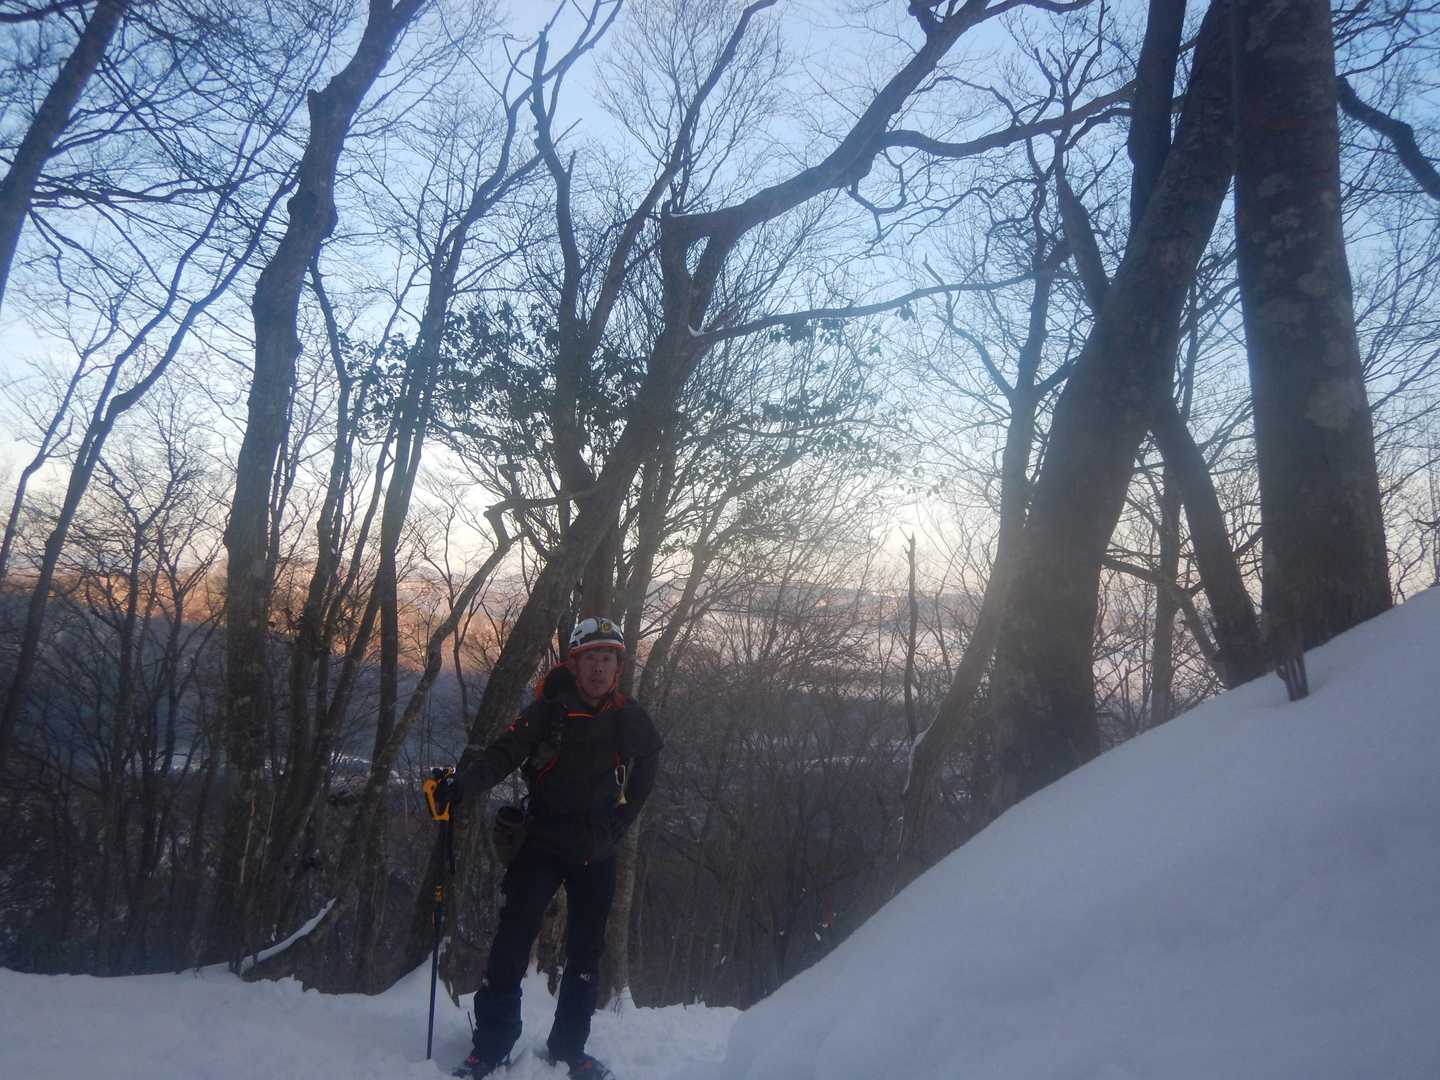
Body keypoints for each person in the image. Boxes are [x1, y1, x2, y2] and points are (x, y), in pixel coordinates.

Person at [438, 616, 663, 1080]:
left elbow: (648, 761)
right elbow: (505, 752)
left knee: (585, 955)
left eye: (608, 658)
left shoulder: (628, 715)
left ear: (618, 667)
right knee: (512, 941)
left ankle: (569, 1048)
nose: (599, 668)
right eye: (590, 658)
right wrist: (463, 787)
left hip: (597, 847)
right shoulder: (549, 710)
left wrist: (621, 823)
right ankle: (492, 1045)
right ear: (574, 664)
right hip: (541, 839)